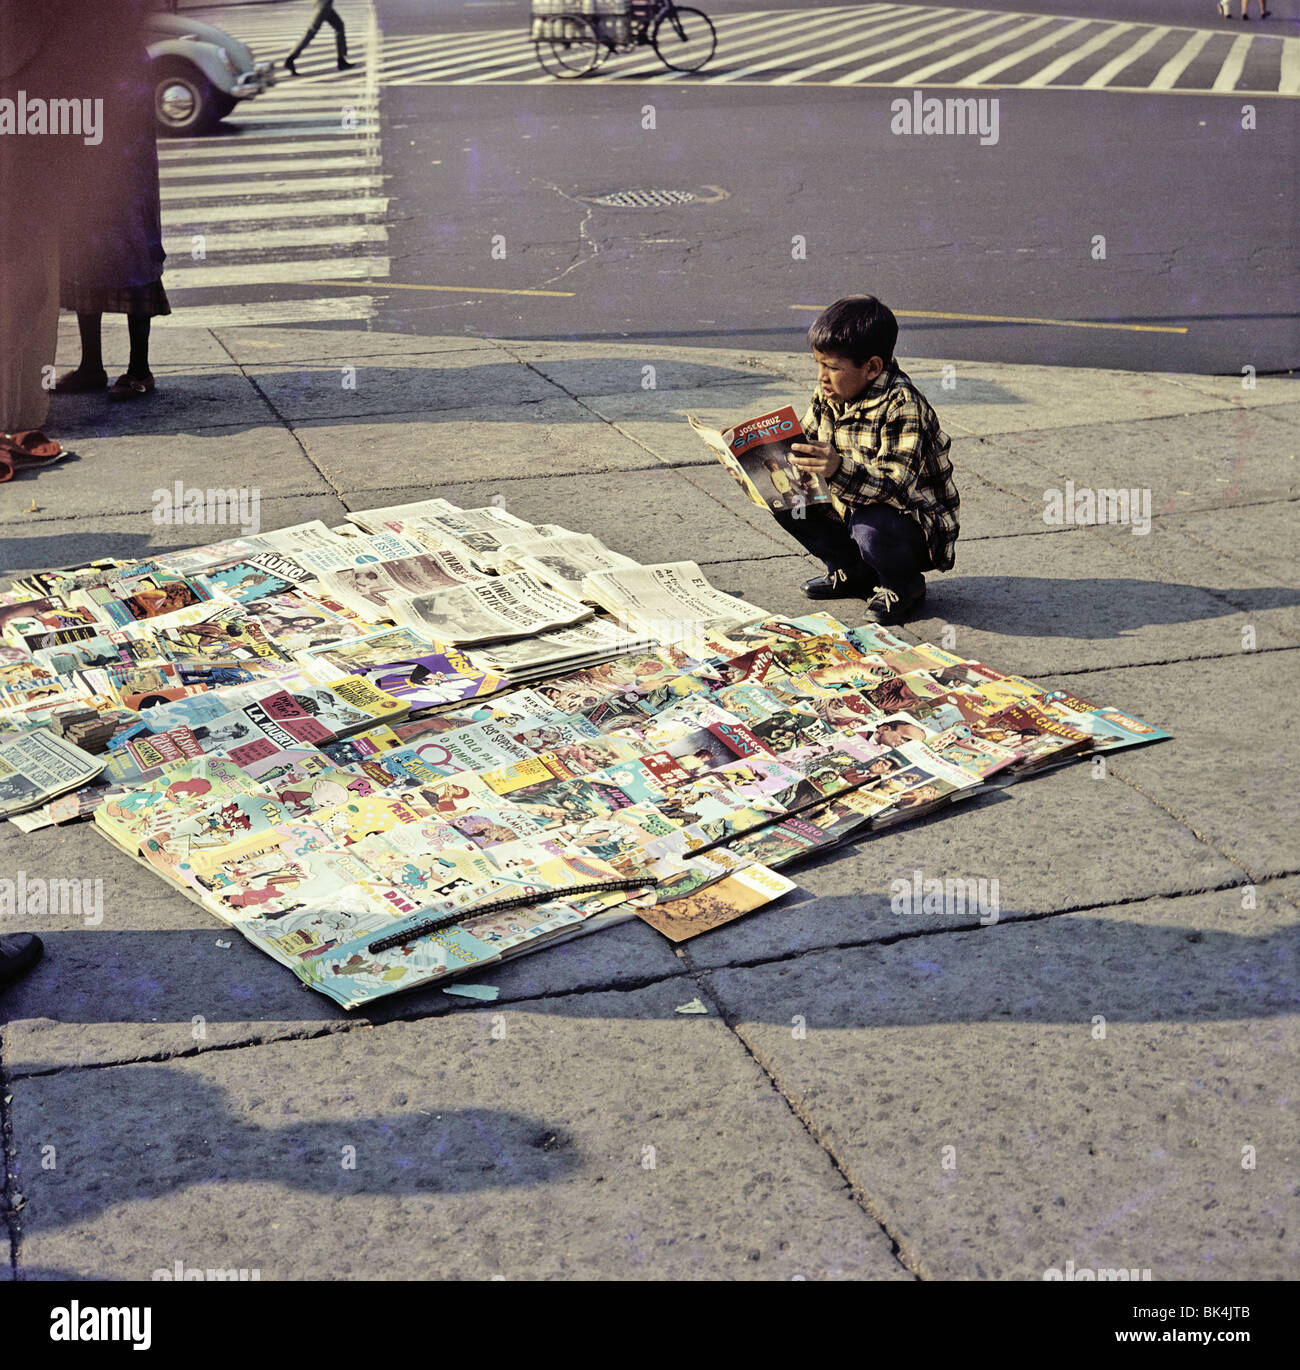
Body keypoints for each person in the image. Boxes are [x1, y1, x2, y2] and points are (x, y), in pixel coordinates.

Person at [781, 294, 960, 625]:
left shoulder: (902, 405)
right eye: (819, 364)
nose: (821, 376)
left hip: (909, 523)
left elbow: (894, 487)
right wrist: (759, 454)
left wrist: (836, 467)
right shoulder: (830, 394)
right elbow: (804, 442)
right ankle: (851, 570)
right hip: (850, 505)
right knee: (786, 495)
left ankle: (903, 584)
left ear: (872, 367)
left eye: (832, 368)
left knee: (871, 528)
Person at [52, 3, 169, 401]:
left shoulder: (129, 57)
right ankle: (91, 366)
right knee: (85, 262)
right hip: (89, 173)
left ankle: (140, 370)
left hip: (126, 175)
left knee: (135, 261)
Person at [284, 0, 356, 74]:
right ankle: (290, 59)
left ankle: (341, 60)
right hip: (323, 4)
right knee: (311, 31)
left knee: (339, 26)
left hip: (324, 3)